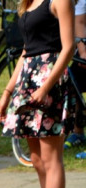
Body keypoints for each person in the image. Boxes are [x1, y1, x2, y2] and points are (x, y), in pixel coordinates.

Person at [0, 0, 75, 188]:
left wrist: (47, 86)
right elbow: (26, 51)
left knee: (51, 159)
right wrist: (7, 92)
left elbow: (69, 47)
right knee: (37, 159)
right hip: (28, 78)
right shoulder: (28, 3)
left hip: (48, 79)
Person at [65, 0, 86, 154]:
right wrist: (83, 51)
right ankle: (78, 133)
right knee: (74, 84)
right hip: (84, 45)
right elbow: (79, 21)